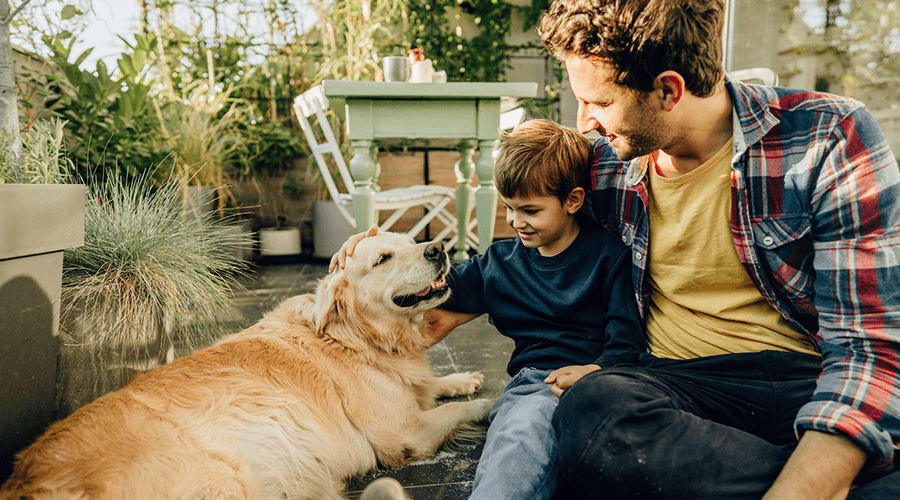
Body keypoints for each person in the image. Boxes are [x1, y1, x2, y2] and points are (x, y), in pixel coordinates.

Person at [532, 0, 900, 499]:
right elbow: (529, 221)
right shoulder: (604, 165)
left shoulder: (828, 136)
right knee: (592, 411)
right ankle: (842, 481)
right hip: (676, 388)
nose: (585, 123)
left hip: (804, 379)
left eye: (599, 103)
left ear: (668, 89)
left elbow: (869, 345)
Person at [333, 118, 645, 500]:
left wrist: (594, 371)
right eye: (509, 209)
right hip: (538, 386)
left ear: (573, 201)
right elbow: (421, 284)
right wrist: (363, 249)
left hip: (602, 382)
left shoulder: (608, 256)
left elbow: (626, 339)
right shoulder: (499, 264)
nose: (516, 222)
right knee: (518, 445)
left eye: (529, 210)